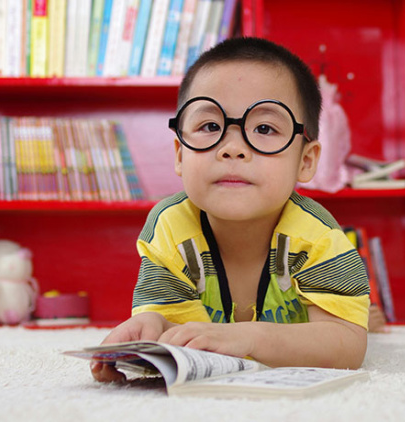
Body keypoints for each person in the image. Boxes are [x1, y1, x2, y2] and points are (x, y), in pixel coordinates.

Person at [92, 37, 370, 383]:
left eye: (265, 128)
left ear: (306, 160)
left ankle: (367, 311)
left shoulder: (318, 236)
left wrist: (249, 336)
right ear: (180, 154)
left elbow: (348, 344)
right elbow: (179, 328)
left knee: (361, 319)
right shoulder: (169, 227)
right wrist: (154, 327)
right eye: (210, 127)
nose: (233, 148)